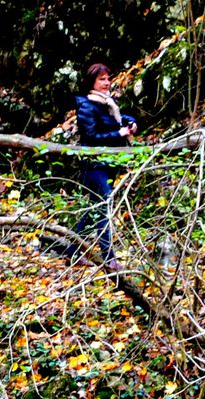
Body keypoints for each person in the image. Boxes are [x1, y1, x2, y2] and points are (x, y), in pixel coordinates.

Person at [72, 62, 136, 265]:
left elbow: (117, 118)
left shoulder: (107, 103)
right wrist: (117, 134)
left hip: (108, 163)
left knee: (94, 207)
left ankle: (72, 251)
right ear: (92, 82)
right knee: (104, 206)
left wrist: (130, 122)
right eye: (102, 79)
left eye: (108, 78)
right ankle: (109, 259)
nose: (107, 83)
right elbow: (90, 135)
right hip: (93, 165)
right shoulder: (86, 106)